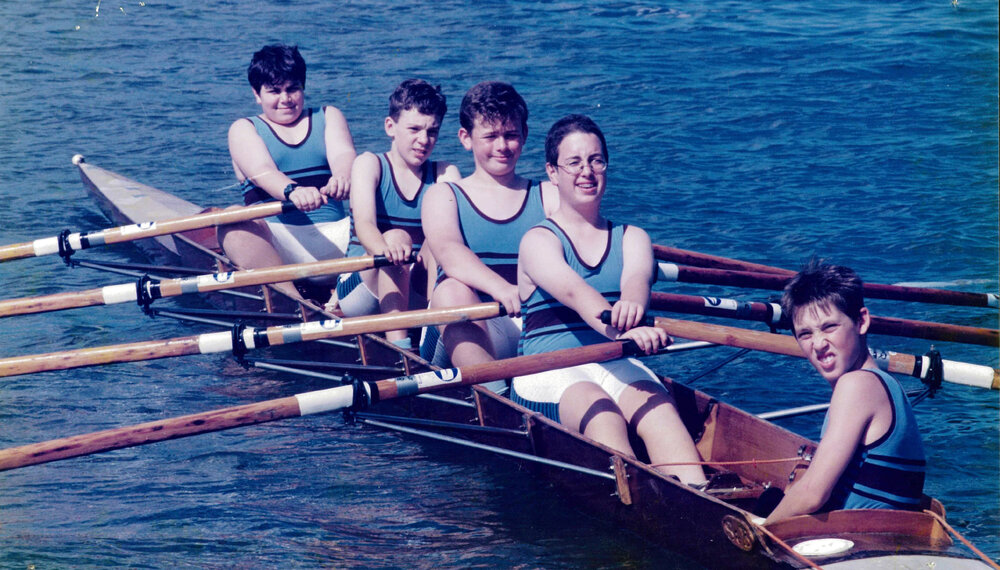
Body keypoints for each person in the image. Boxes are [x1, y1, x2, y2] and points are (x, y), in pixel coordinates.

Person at [509, 114, 707, 485]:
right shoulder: (538, 241)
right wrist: (624, 331)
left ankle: (699, 497)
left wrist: (633, 312)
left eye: (596, 160)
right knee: (600, 412)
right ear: (552, 172)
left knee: (660, 409)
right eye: (574, 162)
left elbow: (636, 283)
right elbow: (579, 295)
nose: (587, 171)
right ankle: (637, 499)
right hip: (547, 367)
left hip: (614, 357)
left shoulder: (632, 237)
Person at [763, 261, 926, 523]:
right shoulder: (887, 383)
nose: (818, 344)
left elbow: (812, 494)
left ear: (861, 321)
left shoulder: (857, 385)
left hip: (860, 544)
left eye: (829, 327)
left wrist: (759, 529)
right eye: (805, 334)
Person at [420, 81, 558, 374]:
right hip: (463, 324)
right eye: (491, 136)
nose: (502, 146)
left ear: (524, 135)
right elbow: (450, 252)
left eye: (510, 135)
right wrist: (502, 289)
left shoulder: (549, 195)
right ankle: (496, 399)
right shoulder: (444, 195)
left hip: (529, 323)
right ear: (465, 138)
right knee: (451, 291)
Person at [217, 44, 357, 304]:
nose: (285, 99)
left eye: (293, 89)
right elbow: (263, 172)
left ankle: (346, 290)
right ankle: (295, 300)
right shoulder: (243, 129)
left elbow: (343, 156)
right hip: (279, 246)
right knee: (231, 223)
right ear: (257, 95)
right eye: (274, 91)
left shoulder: (328, 116)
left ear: (303, 88)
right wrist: (293, 191)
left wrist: (343, 177)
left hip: (339, 238)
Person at [333, 79, 461, 349]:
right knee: (396, 237)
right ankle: (401, 350)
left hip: (414, 285)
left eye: (432, 132)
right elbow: (365, 226)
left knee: (441, 242)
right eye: (414, 129)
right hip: (361, 288)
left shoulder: (445, 173)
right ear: (390, 127)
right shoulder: (369, 164)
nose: (424, 140)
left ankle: (433, 337)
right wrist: (390, 255)